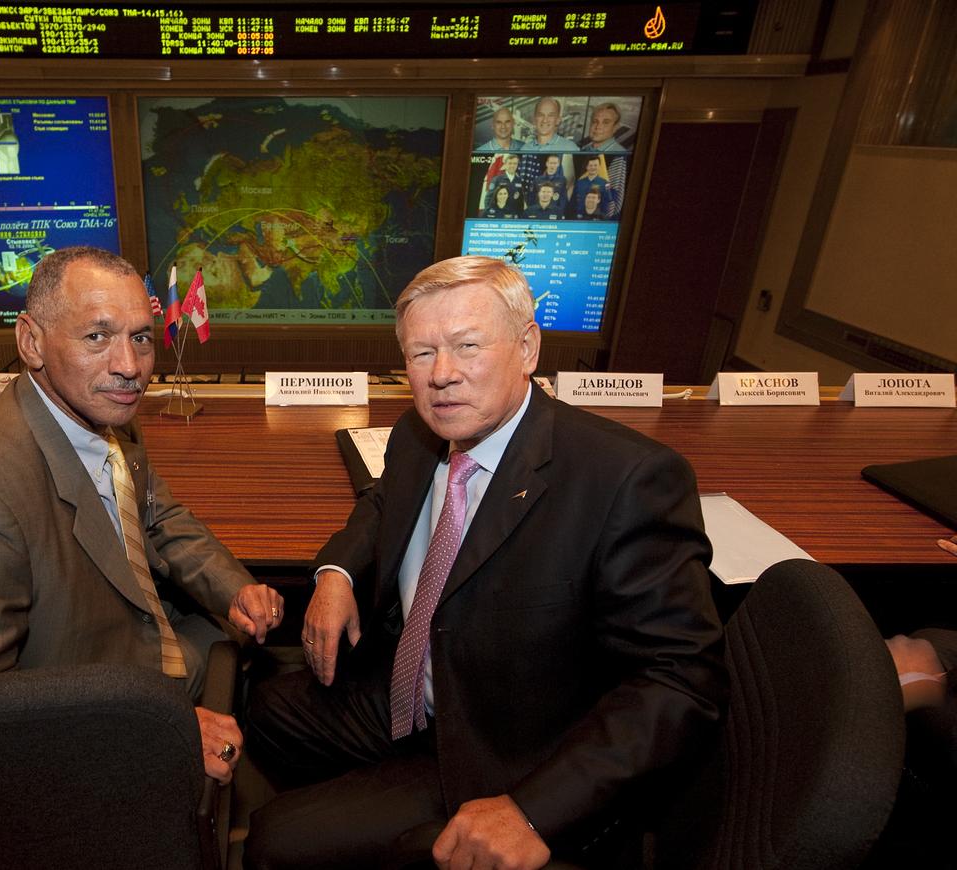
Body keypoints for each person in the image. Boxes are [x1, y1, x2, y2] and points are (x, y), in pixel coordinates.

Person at [244, 256, 726, 869]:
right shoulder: (418, 435)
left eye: (467, 346)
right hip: (414, 686)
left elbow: (681, 680)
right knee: (265, 706)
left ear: (527, 348)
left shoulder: (627, 479)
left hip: (512, 750)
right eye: (421, 354)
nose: (441, 375)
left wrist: (534, 810)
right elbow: (381, 503)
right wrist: (336, 575)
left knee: (274, 841)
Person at [0, 246, 283, 783]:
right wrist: (152, 731)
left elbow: (155, 513)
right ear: (32, 342)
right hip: (97, 720)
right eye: (96, 337)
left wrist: (231, 586)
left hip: (152, 651)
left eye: (141, 337)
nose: (129, 367)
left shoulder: (101, 410)